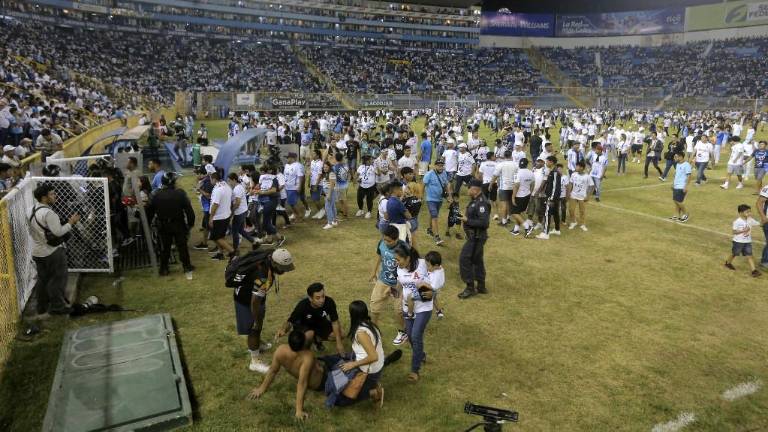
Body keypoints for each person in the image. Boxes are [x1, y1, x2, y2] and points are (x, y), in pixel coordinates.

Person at [232, 247, 296, 373]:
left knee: (258, 324)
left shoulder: (270, 255)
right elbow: (254, 302)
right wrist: (255, 320)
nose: (284, 271)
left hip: (255, 297)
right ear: (274, 263)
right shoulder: (261, 276)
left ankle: (257, 344)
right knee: (254, 328)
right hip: (246, 301)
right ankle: (254, 361)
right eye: (283, 268)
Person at [246, 330, 326, 420]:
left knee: (325, 360)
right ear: (304, 343)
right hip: (323, 380)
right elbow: (302, 384)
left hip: (319, 371)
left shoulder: (280, 350)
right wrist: (299, 410)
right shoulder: (307, 357)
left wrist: (262, 388)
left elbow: (272, 371)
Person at [30, 183, 80, 316]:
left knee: (43, 280)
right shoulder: (48, 213)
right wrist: (71, 223)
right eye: (52, 194)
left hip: (37, 252)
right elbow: (58, 232)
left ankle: (41, 306)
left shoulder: (30, 210)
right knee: (58, 278)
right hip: (52, 252)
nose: (55, 196)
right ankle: (57, 307)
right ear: (44, 197)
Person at [392, 243, 431, 382]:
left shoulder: (422, 264)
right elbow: (399, 283)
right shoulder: (399, 268)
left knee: (415, 336)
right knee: (409, 335)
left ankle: (415, 370)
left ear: (408, 258)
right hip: (407, 308)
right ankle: (421, 355)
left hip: (423, 307)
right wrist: (394, 291)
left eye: (398, 259)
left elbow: (434, 279)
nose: (396, 262)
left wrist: (430, 292)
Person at [335, 301, 385, 406]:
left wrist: (352, 364)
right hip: (375, 365)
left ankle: (375, 391)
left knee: (339, 401)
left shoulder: (361, 333)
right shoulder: (370, 324)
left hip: (370, 371)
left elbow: (373, 356)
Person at [149, 172, 195, 278]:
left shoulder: (156, 194)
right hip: (178, 224)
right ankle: (186, 266)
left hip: (163, 225)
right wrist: (190, 224)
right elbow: (189, 211)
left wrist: (150, 224)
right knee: (182, 246)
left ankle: (164, 268)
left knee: (165, 247)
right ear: (173, 182)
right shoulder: (180, 194)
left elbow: (150, 211)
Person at [276, 283, 345, 355]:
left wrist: (339, 343)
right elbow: (290, 321)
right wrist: (284, 329)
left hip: (320, 324)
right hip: (304, 325)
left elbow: (335, 322)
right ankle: (307, 352)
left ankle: (317, 340)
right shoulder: (302, 305)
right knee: (309, 335)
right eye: (318, 298)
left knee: (341, 334)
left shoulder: (329, 302)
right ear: (310, 298)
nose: (322, 300)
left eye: (323, 296)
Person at [458, 179, 491, 299]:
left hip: (476, 237)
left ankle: (470, 287)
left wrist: (467, 220)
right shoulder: (476, 200)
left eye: (469, 188)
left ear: (475, 189)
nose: (467, 190)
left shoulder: (481, 203)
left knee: (464, 259)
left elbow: (484, 223)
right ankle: (481, 286)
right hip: (475, 236)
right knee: (477, 260)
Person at [724, 204, 761, 278]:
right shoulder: (737, 222)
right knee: (734, 253)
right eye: (747, 212)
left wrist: (764, 220)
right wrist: (743, 230)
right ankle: (728, 263)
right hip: (738, 242)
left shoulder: (750, 219)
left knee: (749, 256)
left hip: (747, 242)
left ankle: (754, 271)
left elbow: (759, 223)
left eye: (750, 212)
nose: (749, 213)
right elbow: (734, 232)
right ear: (740, 213)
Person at [422, 159, 452, 245]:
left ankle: (430, 229)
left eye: (442, 165)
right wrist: (420, 196)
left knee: (433, 215)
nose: (440, 167)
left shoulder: (444, 173)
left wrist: (449, 196)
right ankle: (437, 237)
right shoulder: (429, 174)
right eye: (439, 165)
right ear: (435, 166)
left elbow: (446, 185)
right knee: (435, 216)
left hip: (439, 199)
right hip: (430, 199)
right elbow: (423, 185)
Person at [209, 171, 236, 260]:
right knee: (220, 236)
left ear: (214, 179)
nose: (210, 181)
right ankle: (220, 253)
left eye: (211, 179)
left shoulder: (218, 190)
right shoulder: (226, 186)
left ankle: (232, 252)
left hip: (218, 217)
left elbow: (215, 204)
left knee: (217, 237)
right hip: (226, 215)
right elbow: (232, 200)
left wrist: (211, 218)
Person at [536, 156, 562, 240]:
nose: (546, 163)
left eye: (547, 161)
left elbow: (555, 187)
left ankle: (545, 233)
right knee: (555, 213)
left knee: (547, 214)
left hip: (552, 197)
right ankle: (557, 229)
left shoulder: (554, 172)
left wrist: (551, 198)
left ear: (551, 162)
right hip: (555, 197)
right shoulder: (553, 171)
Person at [228, 173, 255, 250]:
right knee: (240, 230)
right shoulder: (239, 187)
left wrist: (232, 212)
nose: (229, 183)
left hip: (239, 213)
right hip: (243, 211)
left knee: (234, 231)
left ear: (234, 180)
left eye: (229, 181)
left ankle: (235, 250)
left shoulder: (237, 189)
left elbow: (237, 203)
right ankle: (253, 241)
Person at [510, 158, 534, 237]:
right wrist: (529, 192)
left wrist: (513, 197)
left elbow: (516, 185)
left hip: (519, 196)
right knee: (519, 212)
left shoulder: (518, 173)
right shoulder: (531, 173)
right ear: (527, 164)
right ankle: (516, 229)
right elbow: (532, 184)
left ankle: (527, 227)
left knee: (514, 212)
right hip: (527, 195)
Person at [568, 160, 594, 231]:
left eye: (577, 166)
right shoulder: (573, 174)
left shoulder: (587, 177)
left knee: (582, 211)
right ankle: (573, 222)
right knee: (571, 210)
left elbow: (592, 186)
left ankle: (582, 224)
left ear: (582, 168)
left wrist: (588, 196)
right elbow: (570, 183)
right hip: (573, 195)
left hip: (582, 196)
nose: (576, 167)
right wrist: (569, 193)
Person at [283, 152, 305, 222]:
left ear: (293, 158)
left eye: (288, 157)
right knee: (290, 203)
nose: (287, 159)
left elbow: (300, 176)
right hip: (287, 187)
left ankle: (299, 216)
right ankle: (295, 214)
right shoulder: (286, 165)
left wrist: (299, 186)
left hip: (293, 187)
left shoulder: (298, 166)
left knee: (292, 203)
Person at [670, 152, 691, 223]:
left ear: (681, 157)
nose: (674, 158)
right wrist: (673, 183)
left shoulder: (687, 165)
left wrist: (686, 186)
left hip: (681, 186)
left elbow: (689, 176)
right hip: (676, 185)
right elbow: (676, 175)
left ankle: (686, 214)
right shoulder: (677, 164)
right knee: (675, 201)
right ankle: (676, 215)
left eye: (676, 157)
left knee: (678, 201)